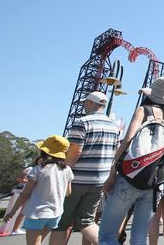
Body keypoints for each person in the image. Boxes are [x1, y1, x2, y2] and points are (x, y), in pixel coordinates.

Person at [99, 76, 164, 245]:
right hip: (154, 184)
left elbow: (127, 140)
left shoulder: (143, 110)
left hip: (129, 177)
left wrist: (113, 172)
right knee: (139, 237)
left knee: (107, 235)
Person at [49, 91, 118, 245]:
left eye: (84, 104)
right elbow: (114, 153)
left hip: (77, 180)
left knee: (60, 224)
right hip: (99, 181)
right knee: (86, 221)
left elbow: (75, 152)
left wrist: (62, 170)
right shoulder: (113, 126)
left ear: (89, 103)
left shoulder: (82, 122)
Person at [4, 136, 74, 245]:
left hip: (37, 213)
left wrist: (12, 212)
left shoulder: (38, 169)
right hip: (55, 213)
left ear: (44, 151)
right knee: (38, 242)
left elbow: (25, 194)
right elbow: (68, 192)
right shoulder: (67, 170)